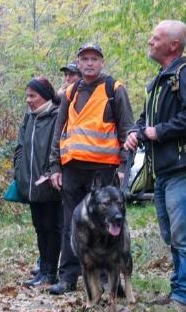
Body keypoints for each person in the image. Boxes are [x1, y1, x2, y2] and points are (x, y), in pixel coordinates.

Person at [124, 20, 186, 312]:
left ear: (173, 44)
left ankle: (185, 297)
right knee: (170, 234)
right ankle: (178, 291)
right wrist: (135, 133)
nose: (150, 41)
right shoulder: (160, 79)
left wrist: (159, 131)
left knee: (185, 234)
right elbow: (143, 120)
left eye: (156, 37)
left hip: (184, 169)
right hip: (162, 171)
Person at [47, 43, 134, 295]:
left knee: (108, 223)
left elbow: (127, 130)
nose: (89, 63)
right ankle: (67, 277)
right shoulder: (71, 92)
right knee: (71, 223)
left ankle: (109, 279)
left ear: (102, 62)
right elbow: (58, 130)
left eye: (94, 58)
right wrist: (55, 166)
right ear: (78, 61)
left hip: (104, 169)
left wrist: (122, 167)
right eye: (84, 59)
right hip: (72, 167)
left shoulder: (114, 89)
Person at [14, 77, 63, 287]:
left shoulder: (56, 116)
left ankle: (51, 273)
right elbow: (20, 147)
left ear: (44, 96)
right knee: (40, 226)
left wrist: (51, 172)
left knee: (52, 227)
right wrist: (19, 171)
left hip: (49, 183)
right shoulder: (29, 117)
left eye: (32, 96)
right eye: (27, 95)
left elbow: (59, 147)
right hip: (30, 183)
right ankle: (43, 272)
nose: (28, 100)